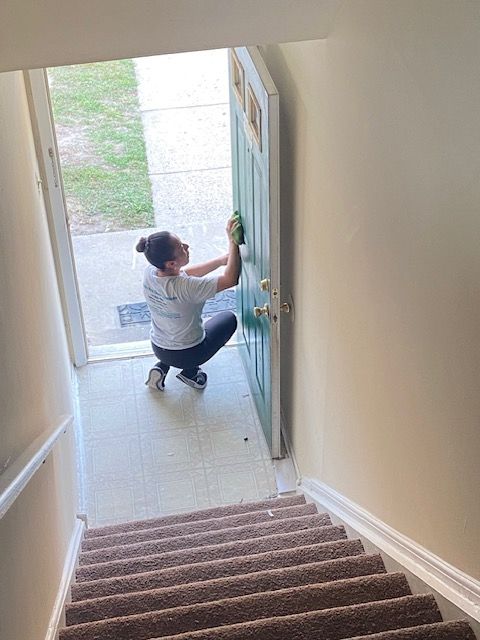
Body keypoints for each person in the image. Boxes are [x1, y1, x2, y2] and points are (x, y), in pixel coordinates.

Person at [136, 217, 241, 391]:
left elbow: (182, 274)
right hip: (189, 354)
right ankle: (190, 373)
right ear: (171, 263)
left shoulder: (151, 272)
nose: (186, 246)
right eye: (181, 248)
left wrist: (221, 261)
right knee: (228, 319)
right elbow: (230, 280)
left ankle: (161, 367)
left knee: (174, 331)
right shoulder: (187, 288)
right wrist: (233, 243)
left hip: (159, 347)